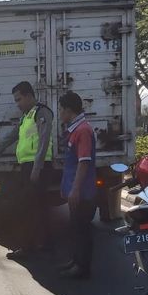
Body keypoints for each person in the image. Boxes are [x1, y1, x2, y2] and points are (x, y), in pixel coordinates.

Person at [0, 81, 53, 260]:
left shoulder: (42, 112)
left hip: (38, 167)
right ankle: (41, 244)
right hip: (28, 167)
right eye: (16, 100)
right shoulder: (26, 116)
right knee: (36, 208)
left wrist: (36, 169)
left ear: (29, 96)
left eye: (19, 99)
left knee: (26, 208)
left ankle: (27, 247)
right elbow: (11, 136)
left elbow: (44, 142)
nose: (17, 103)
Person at [57, 91, 97, 277]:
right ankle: (75, 260)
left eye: (61, 110)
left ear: (68, 110)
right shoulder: (76, 130)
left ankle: (83, 268)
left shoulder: (83, 131)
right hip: (78, 190)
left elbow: (84, 162)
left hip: (83, 192)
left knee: (82, 230)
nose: (60, 114)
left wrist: (75, 189)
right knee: (75, 228)